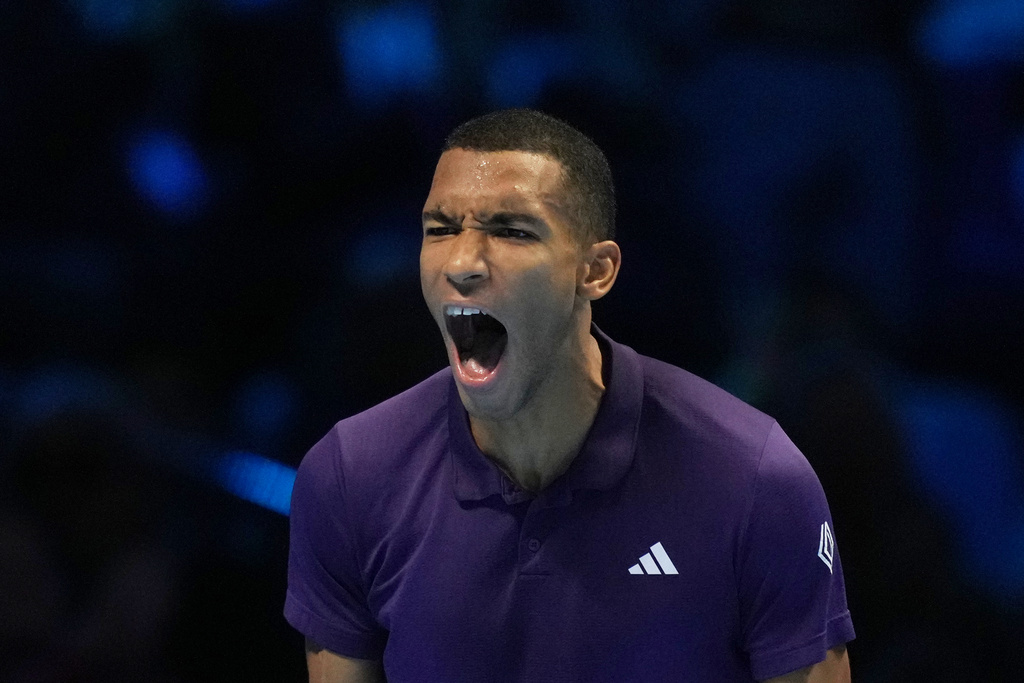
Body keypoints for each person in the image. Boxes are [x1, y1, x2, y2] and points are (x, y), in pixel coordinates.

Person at [285, 109, 854, 682]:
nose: (460, 263)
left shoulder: (754, 480)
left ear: (597, 270)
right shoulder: (348, 475)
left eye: (511, 230)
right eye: (440, 229)